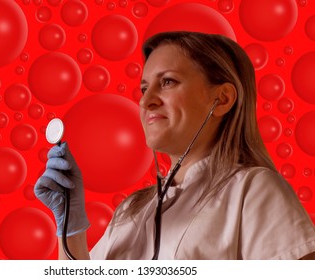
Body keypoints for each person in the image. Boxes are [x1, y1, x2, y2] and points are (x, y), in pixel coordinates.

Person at [34, 31, 315, 260]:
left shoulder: (253, 190)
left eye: (167, 82)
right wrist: (71, 226)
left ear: (223, 99)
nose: (146, 101)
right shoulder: (131, 210)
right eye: (144, 89)